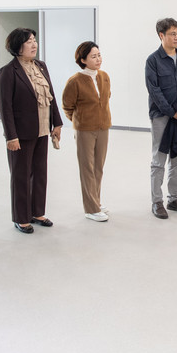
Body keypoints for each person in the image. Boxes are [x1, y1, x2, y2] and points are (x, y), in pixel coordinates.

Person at [0, 28, 63, 234]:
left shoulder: (41, 66)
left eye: (34, 40)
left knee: (40, 172)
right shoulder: (8, 72)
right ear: (18, 46)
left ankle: (37, 212)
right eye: (28, 42)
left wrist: (57, 123)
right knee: (21, 175)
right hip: (21, 133)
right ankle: (21, 217)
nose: (34, 45)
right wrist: (11, 136)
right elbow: (5, 107)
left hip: (42, 128)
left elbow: (51, 95)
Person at [145, 17, 177, 219]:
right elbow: (154, 90)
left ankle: (173, 199)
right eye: (172, 34)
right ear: (161, 35)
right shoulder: (153, 61)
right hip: (161, 116)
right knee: (159, 160)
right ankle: (157, 202)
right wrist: (171, 111)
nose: (176, 37)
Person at [62, 41, 112, 222]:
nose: (98, 59)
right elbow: (67, 106)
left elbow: (106, 98)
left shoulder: (104, 76)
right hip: (84, 130)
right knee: (87, 169)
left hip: (103, 128)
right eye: (93, 56)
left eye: (99, 55)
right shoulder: (75, 81)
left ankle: (95, 201)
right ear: (83, 60)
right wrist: (80, 121)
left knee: (98, 167)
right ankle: (91, 209)